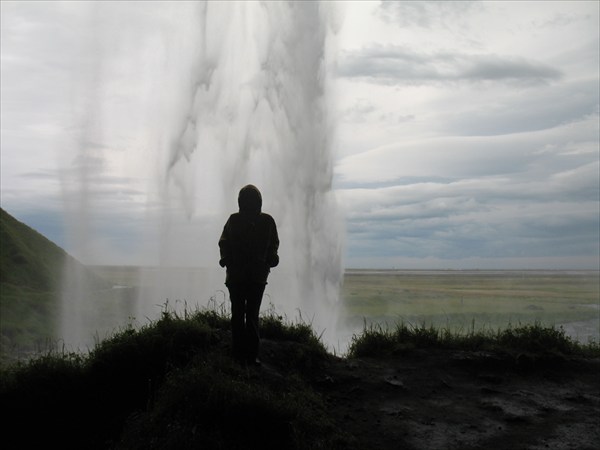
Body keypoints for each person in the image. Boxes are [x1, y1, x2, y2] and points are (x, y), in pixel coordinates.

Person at [218, 185, 279, 366]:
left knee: (246, 315)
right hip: (243, 277)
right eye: (248, 200)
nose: (250, 204)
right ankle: (244, 355)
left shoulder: (264, 221)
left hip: (250, 277)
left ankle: (247, 355)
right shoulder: (239, 220)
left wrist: (271, 258)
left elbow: (273, 245)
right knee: (243, 315)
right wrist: (226, 259)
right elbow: (224, 243)